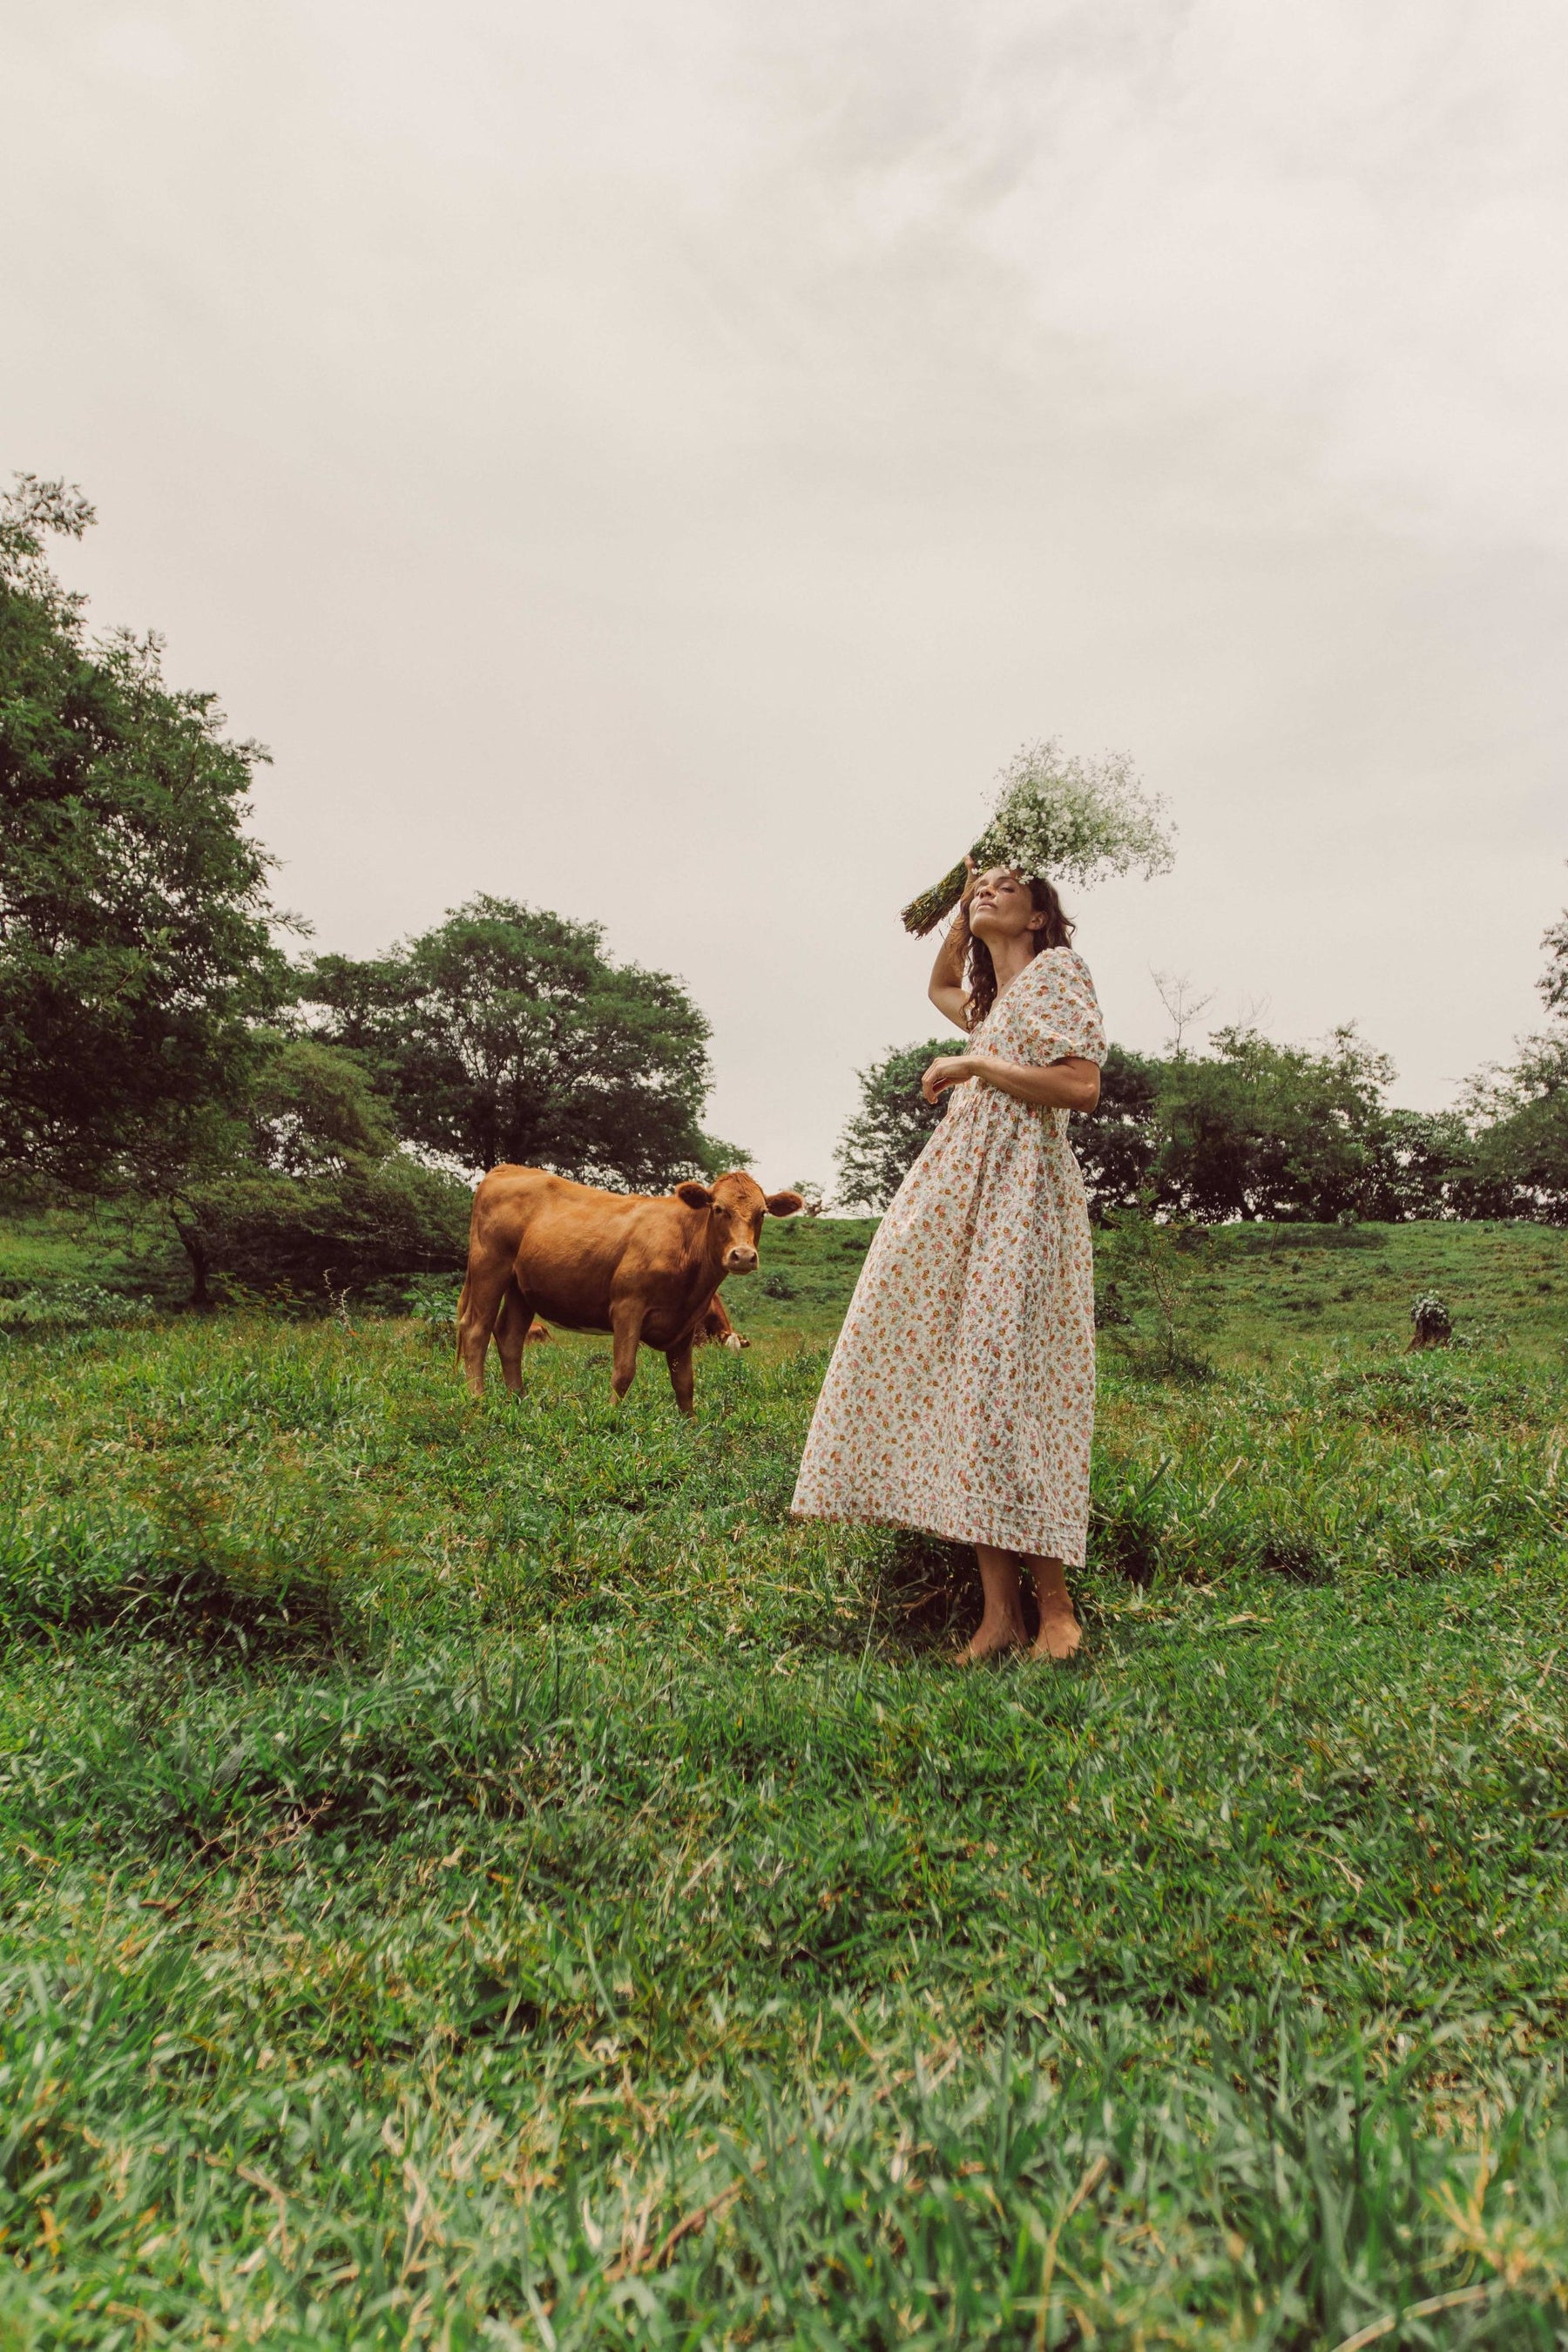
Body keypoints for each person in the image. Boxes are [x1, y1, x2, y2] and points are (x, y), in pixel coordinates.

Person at [791, 861, 1105, 1660]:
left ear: (1040, 918)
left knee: (1006, 1386)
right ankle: (999, 1618)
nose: (991, 891)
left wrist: (972, 1067)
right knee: (966, 1388)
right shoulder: (993, 1008)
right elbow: (939, 986)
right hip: (956, 1205)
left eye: (1008, 887)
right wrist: (959, 911)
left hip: (1020, 1199)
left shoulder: (1058, 972)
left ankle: (1057, 1610)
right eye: (984, 885)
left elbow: (1079, 1086)